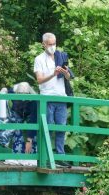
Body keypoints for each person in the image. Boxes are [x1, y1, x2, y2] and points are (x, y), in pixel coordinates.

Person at [33, 32, 73, 168]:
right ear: (43, 44)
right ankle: (46, 157)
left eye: (54, 44)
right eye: (49, 44)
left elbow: (69, 77)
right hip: (47, 98)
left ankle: (60, 157)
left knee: (61, 129)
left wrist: (65, 73)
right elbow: (39, 80)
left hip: (61, 97)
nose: (52, 47)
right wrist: (53, 74)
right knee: (47, 129)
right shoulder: (39, 59)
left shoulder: (61, 56)